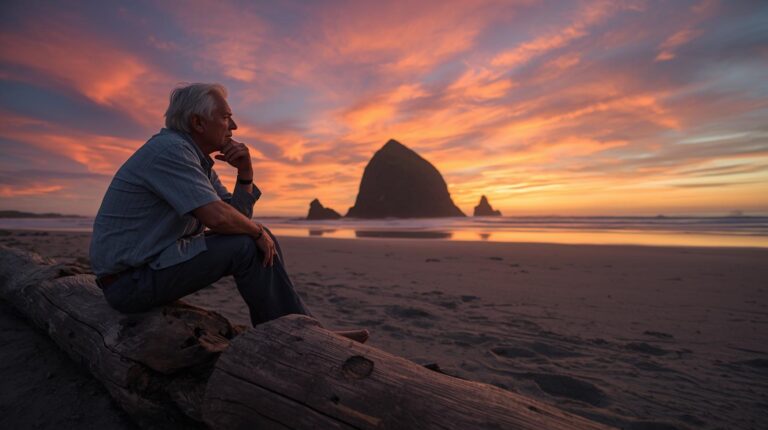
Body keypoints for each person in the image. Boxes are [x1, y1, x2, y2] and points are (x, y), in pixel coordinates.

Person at [89, 83, 367, 342]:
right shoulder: (169, 151)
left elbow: (235, 217)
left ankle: (298, 329)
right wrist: (256, 231)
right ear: (198, 122)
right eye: (226, 117)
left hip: (149, 269)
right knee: (249, 243)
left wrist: (245, 174)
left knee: (254, 238)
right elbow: (219, 219)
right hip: (130, 283)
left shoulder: (195, 161)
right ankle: (295, 335)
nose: (233, 126)